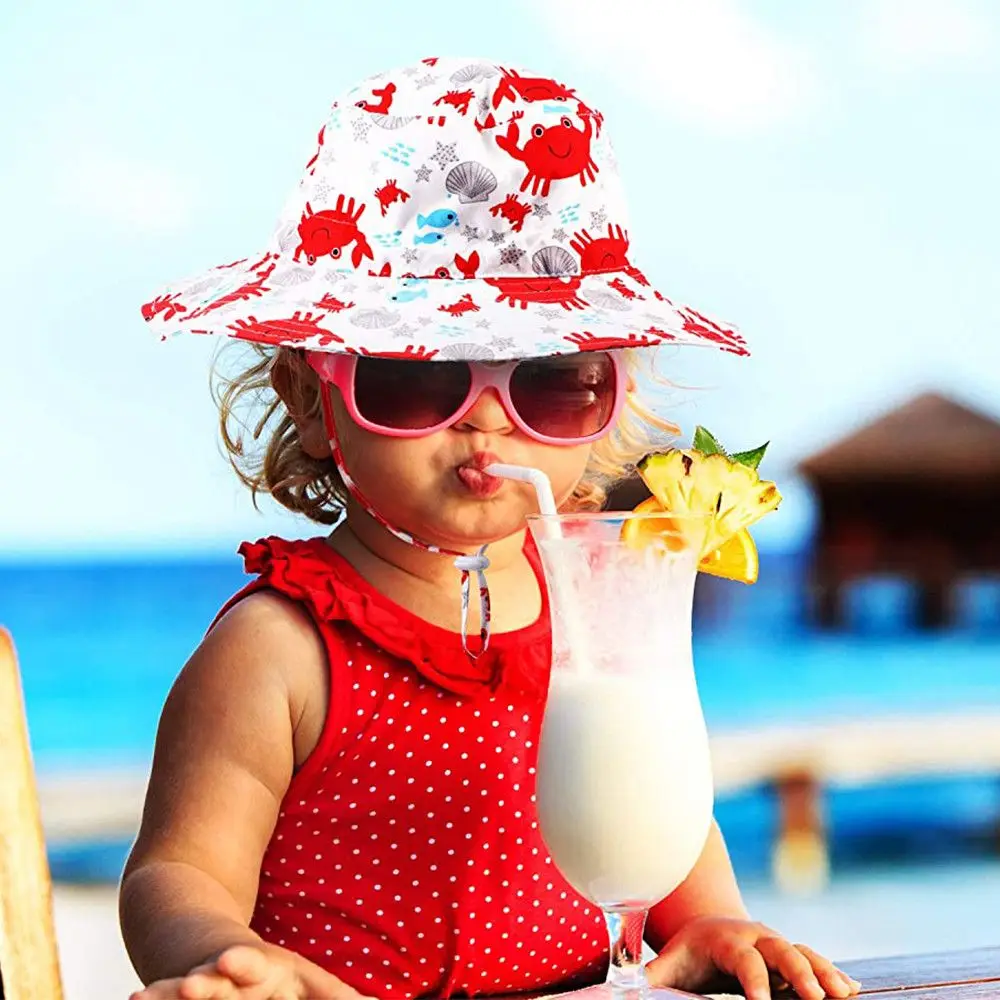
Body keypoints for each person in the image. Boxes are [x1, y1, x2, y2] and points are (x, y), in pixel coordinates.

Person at [124, 57, 860, 1000]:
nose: (485, 421)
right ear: (313, 401)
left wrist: (710, 921)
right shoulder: (279, 648)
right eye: (420, 375)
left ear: (608, 399)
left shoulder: (596, 597)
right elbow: (173, 875)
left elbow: (651, 793)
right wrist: (228, 959)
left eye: (550, 381)